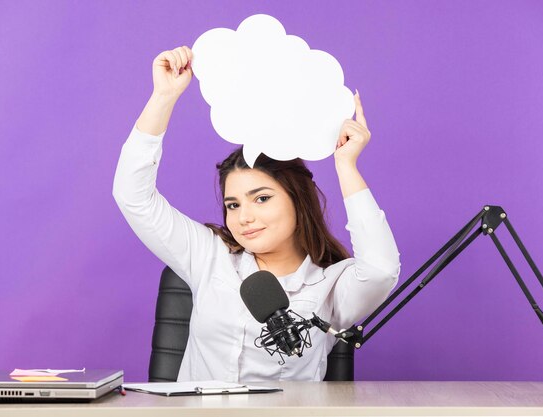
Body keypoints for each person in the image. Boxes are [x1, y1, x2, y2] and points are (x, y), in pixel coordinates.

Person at [113, 45, 401, 382]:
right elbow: (132, 195)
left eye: (261, 198)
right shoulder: (209, 256)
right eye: (233, 204)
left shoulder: (332, 285)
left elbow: (381, 269)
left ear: (298, 201)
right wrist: (164, 96)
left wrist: (346, 164)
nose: (243, 217)